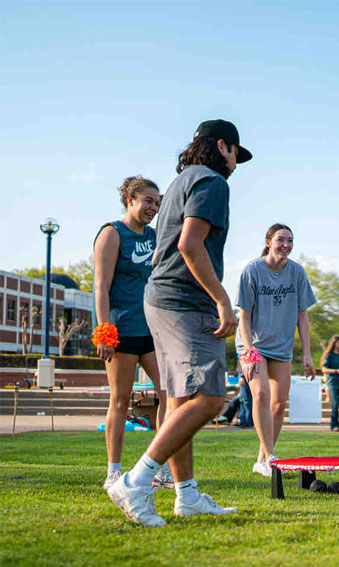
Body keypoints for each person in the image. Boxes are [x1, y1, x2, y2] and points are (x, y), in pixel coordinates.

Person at [106, 119, 252, 527]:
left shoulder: (180, 182)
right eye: (237, 154)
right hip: (185, 302)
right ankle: (137, 481)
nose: (237, 163)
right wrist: (223, 301)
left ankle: (186, 495)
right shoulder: (212, 183)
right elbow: (189, 244)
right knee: (210, 398)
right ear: (223, 147)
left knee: (177, 401)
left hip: (161, 299)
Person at [94, 176, 170, 491]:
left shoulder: (156, 236)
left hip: (153, 331)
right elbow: (101, 285)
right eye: (148, 201)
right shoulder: (112, 234)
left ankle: (161, 468)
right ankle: (113, 471)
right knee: (121, 399)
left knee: (170, 395)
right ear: (131, 200)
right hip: (121, 330)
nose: (153, 207)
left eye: (157, 202)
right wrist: (104, 331)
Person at [236, 223, 317, 477]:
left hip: (281, 346)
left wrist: (306, 354)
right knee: (260, 394)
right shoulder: (253, 270)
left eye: (290, 240)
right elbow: (244, 317)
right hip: (255, 344)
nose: (286, 245)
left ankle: (262, 459)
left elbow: (302, 316)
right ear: (268, 242)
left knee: (279, 405)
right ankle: (271, 457)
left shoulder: (297, 272)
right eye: (281, 240)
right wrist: (249, 353)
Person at [321, 335, 339, 431]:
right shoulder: (330, 356)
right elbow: (324, 369)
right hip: (332, 381)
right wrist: (336, 371)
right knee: (334, 403)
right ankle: (333, 425)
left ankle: (337, 424)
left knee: (337, 403)